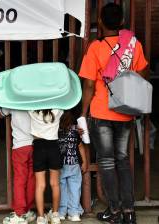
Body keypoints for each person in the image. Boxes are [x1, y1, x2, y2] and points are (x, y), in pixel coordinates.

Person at [79, 3, 148, 224]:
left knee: (107, 162)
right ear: (121, 22)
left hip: (102, 111)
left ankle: (115, 211)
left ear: (100, 22)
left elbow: (89, 85)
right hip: (125, 111)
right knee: (123, 160)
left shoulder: (95, 47)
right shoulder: (133, 45)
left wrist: (83, 112)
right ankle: (129, 212)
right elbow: (142, 74)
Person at [0, 108, 36, 224]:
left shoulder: (12, 100)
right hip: (35, 144)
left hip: (20, 146)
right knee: (31, 178)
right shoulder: (35, 97)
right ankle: (28, 211)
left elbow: (1, 114)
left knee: (20, 179)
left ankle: (20, 213)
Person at [29, 109, 64, 224]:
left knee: (40, 185)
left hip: (38, 147)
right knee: (55, 184)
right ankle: (55, 215)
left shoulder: (32, 109)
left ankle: (40, 217)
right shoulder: (58, 110)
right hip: (53, 146)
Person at [57, 110, 87, 222]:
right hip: (74, 164)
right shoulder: (76, 130)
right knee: (75, 188)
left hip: (60, 165)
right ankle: (74, 213)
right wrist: (84, 162)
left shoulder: (57, 131)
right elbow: (80, 146)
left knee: (61, 188)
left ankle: (61, 212)